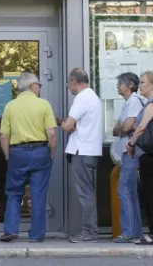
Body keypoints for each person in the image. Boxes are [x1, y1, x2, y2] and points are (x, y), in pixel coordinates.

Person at [0, 72, 56, 243]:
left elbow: (3, 136)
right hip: (40, 152)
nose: (39, 88)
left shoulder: (10, 106)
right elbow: (52, 133)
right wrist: (52, 152)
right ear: (33, 86)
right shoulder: (44, 105)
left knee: (14, 193)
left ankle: (10, 230)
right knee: (38, 194)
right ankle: (37, 235)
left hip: (18, 153)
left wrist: (8, 155)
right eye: (39, 85)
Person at [126, 71, 153, 245]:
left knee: (152, 194)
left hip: (150, 154)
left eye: (143, 82)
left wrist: (131, 143)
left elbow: (142, 127)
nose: (140, 85)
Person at [59, 68, 103, 243]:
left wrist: (60, 121)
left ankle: (89, 232)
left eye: (68, 83)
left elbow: (68, 126)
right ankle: (89, 230)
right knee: (88, 192)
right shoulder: (93, 97)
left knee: (85, 193)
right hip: (90, 150)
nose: (68, 87)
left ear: (74, 82)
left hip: (82, 151)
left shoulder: (82, 98)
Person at [112, 72, 144, 243]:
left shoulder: (134, 102)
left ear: (129, 85)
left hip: (130, 151)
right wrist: (120, 128)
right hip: (126, 152)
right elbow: (117, 128)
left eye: (120, 83)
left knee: (123, 190)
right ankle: (135, 231)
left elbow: (125, 128)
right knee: (130, 192)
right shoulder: (126, 104)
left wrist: (121, 128)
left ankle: (128, 232)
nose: (118, 86)